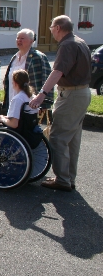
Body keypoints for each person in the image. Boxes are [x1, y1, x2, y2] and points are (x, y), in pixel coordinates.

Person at [29, 15, 91, 192]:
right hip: (82, 93)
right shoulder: (80, 42)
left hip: (71, 94)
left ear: (57, 28)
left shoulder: (67, 45)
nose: (50, 31)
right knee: (72, 139)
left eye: (51, 27)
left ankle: (63, 179)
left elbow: (57, 72)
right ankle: (68, 177)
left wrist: (41, 94)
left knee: (58, 137)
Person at [2, 28, 52, 111]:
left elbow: (45, 79)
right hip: (13, 100)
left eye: (22, 38)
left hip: (28, 103)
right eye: (17, 38)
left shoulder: (38, 57)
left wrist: (43, 103)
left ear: (31, 41)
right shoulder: (15, 57)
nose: (19, 40)